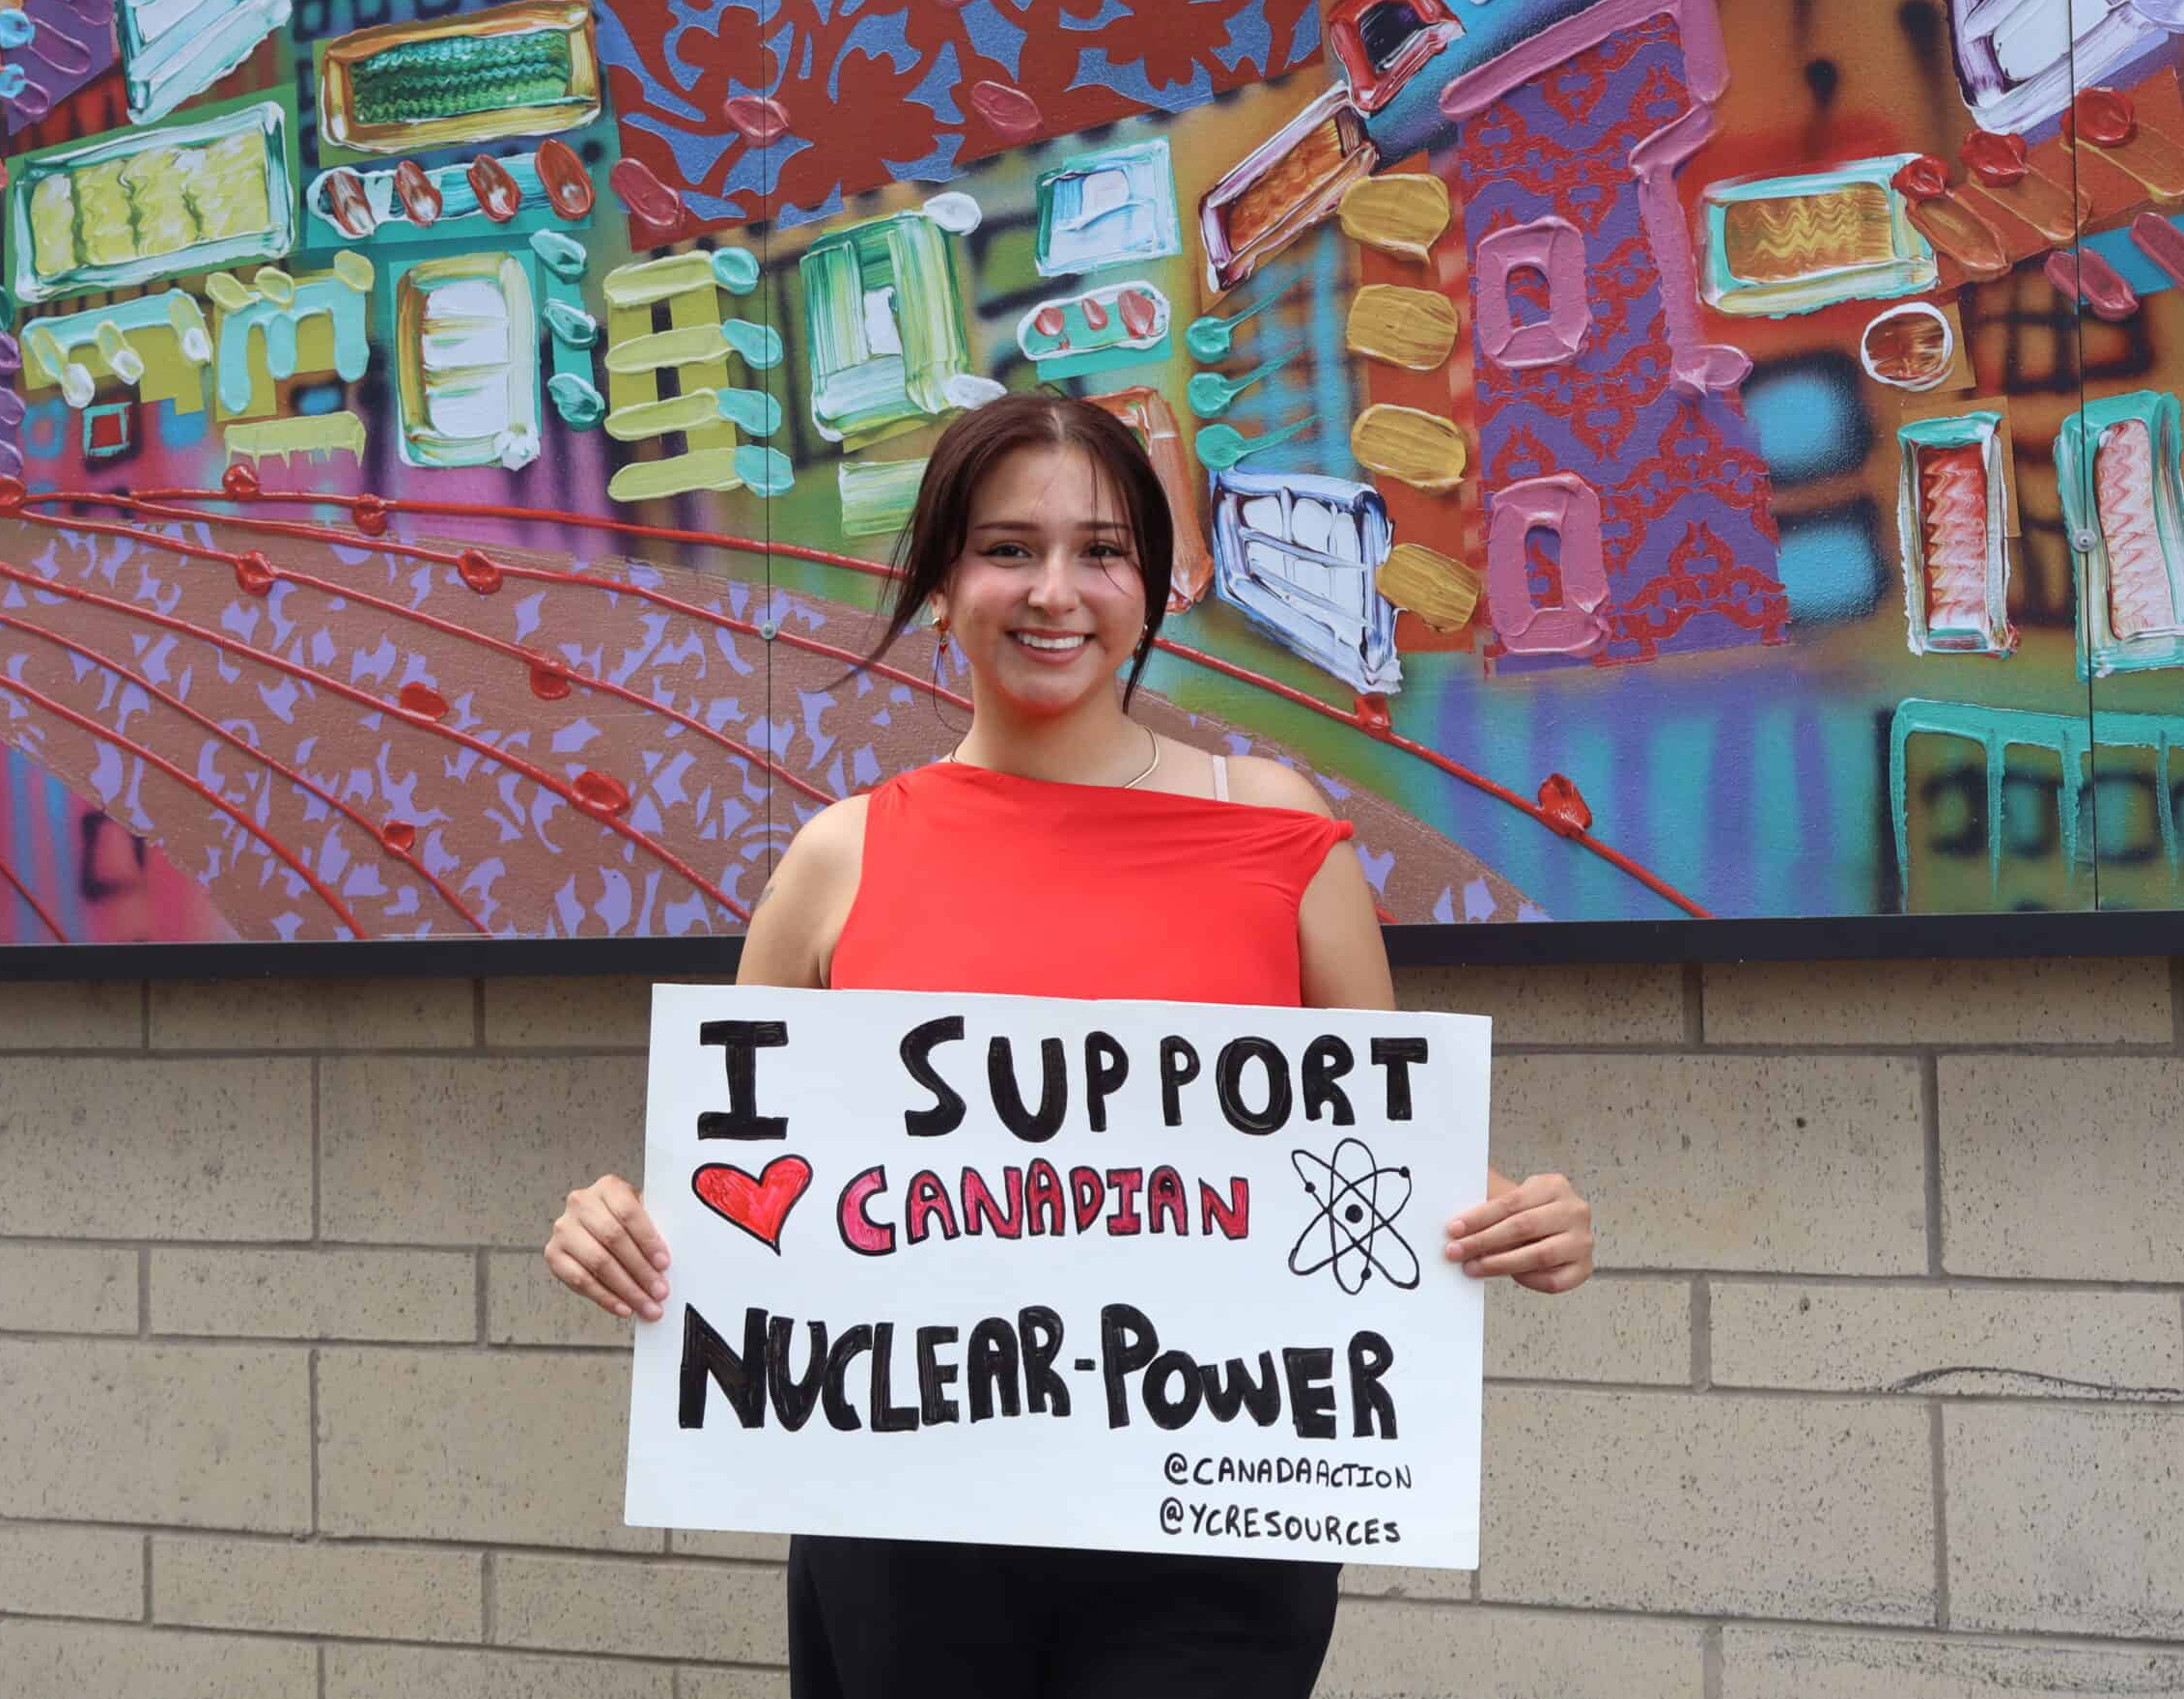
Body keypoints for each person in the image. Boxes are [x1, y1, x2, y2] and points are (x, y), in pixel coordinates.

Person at [546, 392, 1595, 1697]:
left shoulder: (1278, 834)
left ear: (1152, 589)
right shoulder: (839, 860)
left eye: (1101, 551)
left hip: (1212, 1522)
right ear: (940, 583)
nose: (1056, 591)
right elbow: (746, 1182)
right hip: (906, 1517)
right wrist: (617, 1223)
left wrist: (1514, 1216)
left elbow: (1372, 1159)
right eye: (1007, 549)